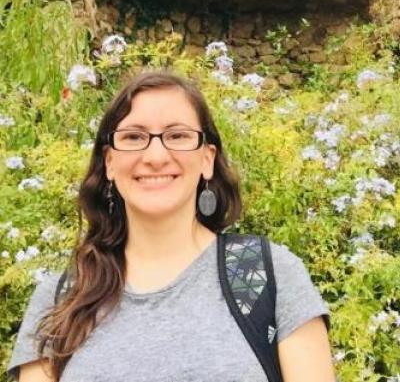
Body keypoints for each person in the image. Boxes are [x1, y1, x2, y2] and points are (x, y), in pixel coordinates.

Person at [7, 70, 336, 382]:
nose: (155, 155)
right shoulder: (62, 298)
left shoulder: (267, 275)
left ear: (207, 159)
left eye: (177, 135)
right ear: (109, 162)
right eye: (134, 136)